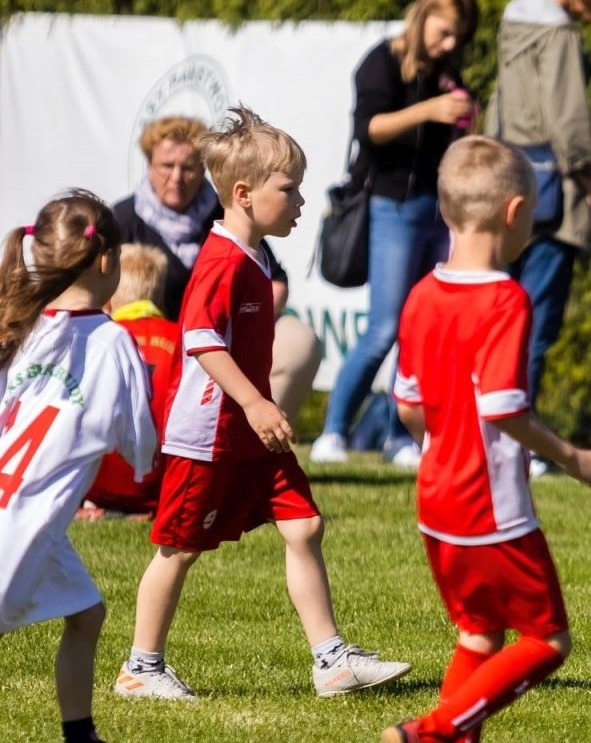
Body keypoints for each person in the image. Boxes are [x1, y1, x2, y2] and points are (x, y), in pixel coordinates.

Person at [116, 107, 411, 701]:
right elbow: (200, 340)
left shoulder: (253, 258)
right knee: (179, 547)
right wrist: (254, 403)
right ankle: (140, 669)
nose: (301, 200)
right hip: (211, 435)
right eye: (290, 188)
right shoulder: (221, 261)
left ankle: (331, 662)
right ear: (245, 195)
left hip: (251, 431)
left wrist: (257, 410)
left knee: (304, 524)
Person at [382, 136, 591, 743]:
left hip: (437, 499)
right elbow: (504, 406)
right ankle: (431, 734)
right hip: (492, 508)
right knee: (547, 642)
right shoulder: (506, 300)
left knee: (479, 634)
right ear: (515, 213)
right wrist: (573, 459)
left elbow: (407, 402)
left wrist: (441, 449)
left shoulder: (424, 293)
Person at [0, 192, 156, 743]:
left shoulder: (24, 327)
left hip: (16, 504)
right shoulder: (113, 341)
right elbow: (140, 449)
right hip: (21, 524)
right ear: (107, 261)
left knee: (86, 613)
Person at [311, 0, 479, 468]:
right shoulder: (381, 61)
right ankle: (334, 430)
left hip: (435, 209)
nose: (448, 45)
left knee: (420, 330)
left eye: (456, 38)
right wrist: (430, 109)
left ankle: (399, 434)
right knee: (385, 326)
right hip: (390, 205)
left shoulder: (445, 72)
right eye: (444, 32)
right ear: (423, 15)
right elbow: (371, 128)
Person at [488, 0, 591, 451]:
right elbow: (568, 119)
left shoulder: (514, 21)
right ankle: (519, 438)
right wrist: (588, 183)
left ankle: (486, 429)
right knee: (536, 321)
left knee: (496, 314)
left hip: (504, 181)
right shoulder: (559, 32)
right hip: (551, 190)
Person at [112, 116, 323, 426]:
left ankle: (263, 429)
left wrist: (243, 326)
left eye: (188, 168)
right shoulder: (124, 219)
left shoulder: (234, 221)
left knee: (300, 342)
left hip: (219, 341)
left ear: (204, 170)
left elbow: (275, 282)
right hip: (151, 349)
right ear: (149, 165)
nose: (176, 178)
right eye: (166, 166)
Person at [82, 245, 180, 518]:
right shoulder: (182, 341)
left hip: (94, 488)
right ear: (159, 295)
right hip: (161, 489)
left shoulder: (96, 339)